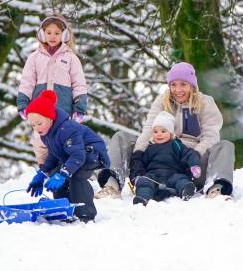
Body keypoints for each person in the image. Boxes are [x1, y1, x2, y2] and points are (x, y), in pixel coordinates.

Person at [96, 61, 234, 199]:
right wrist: (138, 155)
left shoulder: (205, 102)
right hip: (160, 159)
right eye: (173, 84)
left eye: (183, 84)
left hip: (193, 165)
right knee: (122, 138)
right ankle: (112, 185)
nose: (178, 90)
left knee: (225, 146)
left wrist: (194, 156)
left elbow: (211, 135)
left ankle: (217, 190)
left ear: (192, 85)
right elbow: (149, 130)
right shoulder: (162, 101)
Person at [24, 90, 110, 222]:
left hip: (92, 153)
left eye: (39, 123)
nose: (36, 128)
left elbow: (78, 156)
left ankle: (85, 214)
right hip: (74, 155)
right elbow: (54, 155)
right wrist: (42, 174)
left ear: (50, 118)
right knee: (56, 175)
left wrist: (63, 174)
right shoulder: (47, 134)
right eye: (32, 125)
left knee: (76, 176)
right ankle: (64, 210)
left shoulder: (67, 129)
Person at [17, 14, 88, 165]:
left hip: (62, 110)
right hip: (40, 112)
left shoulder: (71, 58)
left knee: (63, 139)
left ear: (65, 35)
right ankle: (44, 167)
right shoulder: (34, 58)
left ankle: (63, 168)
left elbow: (79, 84)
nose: (52, 36)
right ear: (42, 34)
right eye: (49, 32)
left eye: (57, 33)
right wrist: (23, 104)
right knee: (40, 140)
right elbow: (27, 82)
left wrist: (79, 108)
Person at [129, 111, 201, 206]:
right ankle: (143, 197)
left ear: (171, 133)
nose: (159, 134)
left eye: (163, 131)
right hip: (153, 175)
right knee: (145, 182)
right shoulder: (149, 148)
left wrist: (194, 165)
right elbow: (142, 162)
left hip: (173, 174)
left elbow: (189, 154)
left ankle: (186, 190)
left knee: (181, 180)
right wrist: (139, 176)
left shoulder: (176, 145)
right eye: (155, 131)